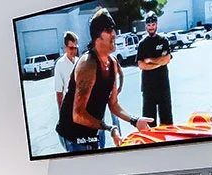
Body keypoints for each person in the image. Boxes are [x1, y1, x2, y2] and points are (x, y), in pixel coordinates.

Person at [56, 8, 150, 153]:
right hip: (73, 135)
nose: (114, 34)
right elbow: (78, 114)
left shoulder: (112, 63)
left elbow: (113, 104)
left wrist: (135, 120)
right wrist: (109, 128)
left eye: (113, 29)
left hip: (93, 131)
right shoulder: (87, 64)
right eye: (109, 29)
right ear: (97, 37)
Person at [136, 12, 174, 127]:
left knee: (166, 120)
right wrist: (159, 63)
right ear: (146, 26)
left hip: (163, 85)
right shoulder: (142, 44)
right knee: (149, 121)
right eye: (149, 25)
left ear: (156, 25)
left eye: (153, 25)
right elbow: (141, 65)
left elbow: (166, 59)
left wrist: (150, 61)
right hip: (148, 87)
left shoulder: (163, 40)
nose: (151, 27)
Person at [53, 31, 79, 110]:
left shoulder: (79, 61)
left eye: (75, 48)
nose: (74, 51)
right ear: (65, 47)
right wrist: (61, 112)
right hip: (69, 107)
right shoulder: (60, 64)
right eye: (71, 48)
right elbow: (59, 92)